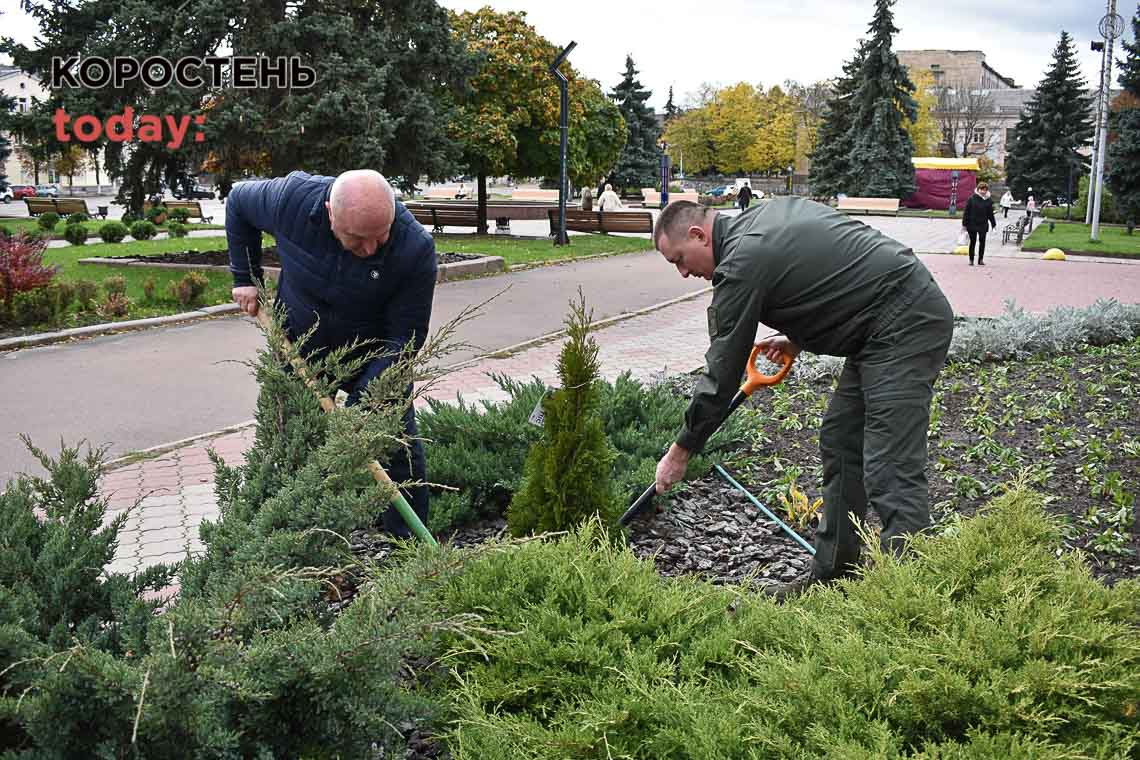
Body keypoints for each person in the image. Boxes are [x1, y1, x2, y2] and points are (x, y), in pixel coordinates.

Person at [651, 199, 953, 599]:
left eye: (680, 260)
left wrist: (681, 450)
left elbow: (722, 372)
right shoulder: (758, 223)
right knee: (841, 439)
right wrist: (798, 338)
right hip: (884, 319)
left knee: (889, 464)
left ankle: (911, 598)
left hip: (904, 322)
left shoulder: (741, 261)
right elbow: (832, 274)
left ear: (697, 235)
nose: (685, 272)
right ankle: (834, 573)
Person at [227, 169, 436, 537]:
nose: (371, 249)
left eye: (380, 236)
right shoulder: (291, 200)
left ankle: (409, 546)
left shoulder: (413, 248)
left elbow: (404, 340)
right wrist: (244, 276)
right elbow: (238, 202)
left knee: (396, 447)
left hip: (376, 357)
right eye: (357, 239)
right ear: (328, 212)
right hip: (301, 350)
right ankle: (297, 540)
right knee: (292, 444)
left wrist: (365, 404)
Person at [962, 181, 997, 266]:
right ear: (978, 189)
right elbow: (966, 212)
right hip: (972, 223)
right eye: (981, 189)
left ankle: (980, 259)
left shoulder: (988, 200)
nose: (983, 191)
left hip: (983, 224)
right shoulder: (972, 198)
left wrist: (993, 225)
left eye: (985, 190)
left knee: (982, 241)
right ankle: (971, 259)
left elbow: (990, 214)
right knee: (973, 242)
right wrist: (964, 224)